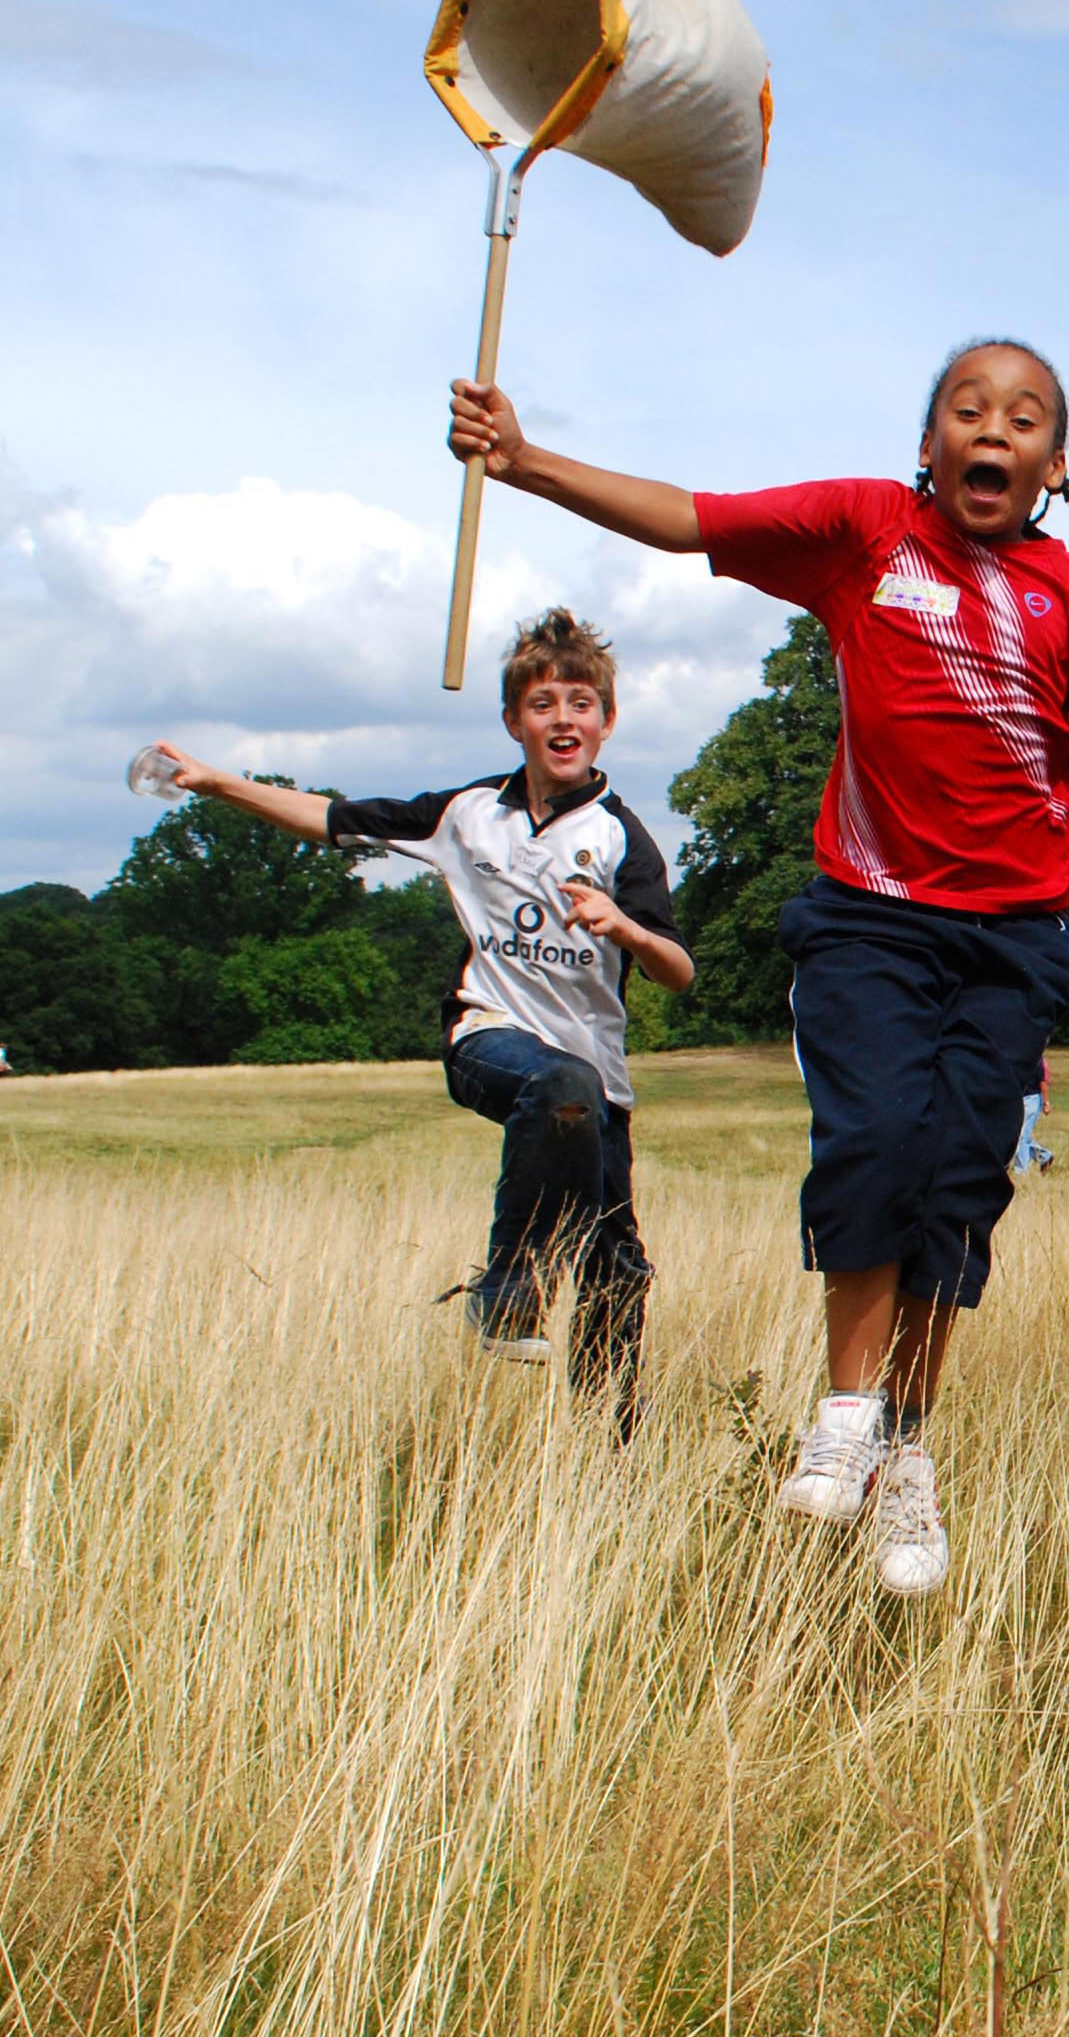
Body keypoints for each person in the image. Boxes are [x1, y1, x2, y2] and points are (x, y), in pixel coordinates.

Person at [449, 340, 1069, 1598]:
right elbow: (690, 520)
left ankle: (906, 1452)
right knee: (874, 1142)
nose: (989, 429)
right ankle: (846, 1411)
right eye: (965, 409)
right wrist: (522, 465)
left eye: (1021, 418)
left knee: (957, 1182)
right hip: (869, 919)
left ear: (1055, 466)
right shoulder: (865, 535)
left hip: (1013, 938)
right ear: (927, 443)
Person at [140, 610, 693, 1435]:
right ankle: (506, 1294)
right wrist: (219, 783)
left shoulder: (621, 840)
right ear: (514, 721)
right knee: (555, 1084)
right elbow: (329, 817)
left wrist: (629, 928)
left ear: (607, 723)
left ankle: (607, 1448)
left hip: (596, 1079)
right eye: (544, 704)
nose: (564, 719)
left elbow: (676, 972)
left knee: (617, 1266)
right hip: (490, 1039)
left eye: (582, 704)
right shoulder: (466, 814)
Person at [1011, 1052, 1057, 1175]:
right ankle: (1044, 1156)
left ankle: (1021, 1172)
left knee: (1022, 1137)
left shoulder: (1036, 1058)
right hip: (1016, 1099)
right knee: (1014, 1136)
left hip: (1032, 1098)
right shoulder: (1013, 1056)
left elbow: (1042, 1082)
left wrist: (1046, 1102)